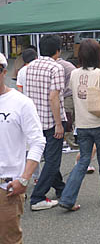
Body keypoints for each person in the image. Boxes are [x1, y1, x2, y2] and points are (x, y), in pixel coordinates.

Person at [59, 39, 100, 211]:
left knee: (83, 160)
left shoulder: (74, 74)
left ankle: (67, 197)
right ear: (98, 55)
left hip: (82, 124)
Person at [0, 52, 45, 244]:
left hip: (7, 186)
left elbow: (37, 141)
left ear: (3, 72)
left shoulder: (20, 103)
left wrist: (24, 178)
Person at [24, 35, 67, 211]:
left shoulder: (29, 67)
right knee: (53, 160)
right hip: (50, 119)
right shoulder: (56, 68)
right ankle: (37, 197)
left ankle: (60, 187)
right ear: (58, 50)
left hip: (34, 119)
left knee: (49, 157)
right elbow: (54, 97)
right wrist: (58, 123)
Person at [56, 57, 78, 151]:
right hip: (72, 93)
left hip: (68, 95)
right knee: (71, 119)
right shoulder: (64, 64)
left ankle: (72, 144)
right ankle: (72, 142)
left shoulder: (58, 66)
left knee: (68, 119)